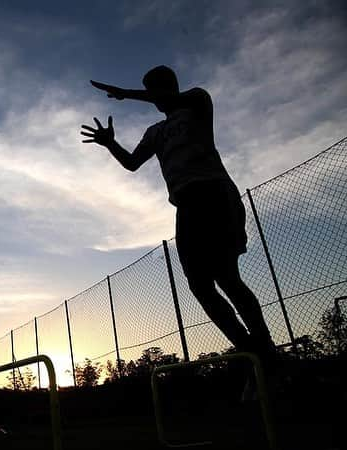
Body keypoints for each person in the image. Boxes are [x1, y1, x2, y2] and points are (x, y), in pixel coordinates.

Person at [80, 66, 277, 363]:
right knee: (199, 285)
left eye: (157, 88)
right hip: (186, 207)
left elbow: (169, 98)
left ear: (170, 86)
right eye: (150, 89)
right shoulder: (155, 132)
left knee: (227, 276)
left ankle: (265, 348)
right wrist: (110, 144)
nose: (154, 96)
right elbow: (132, 163)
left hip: (215, 194)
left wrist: (127, 94)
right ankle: (255, 354)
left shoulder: (197, 102)